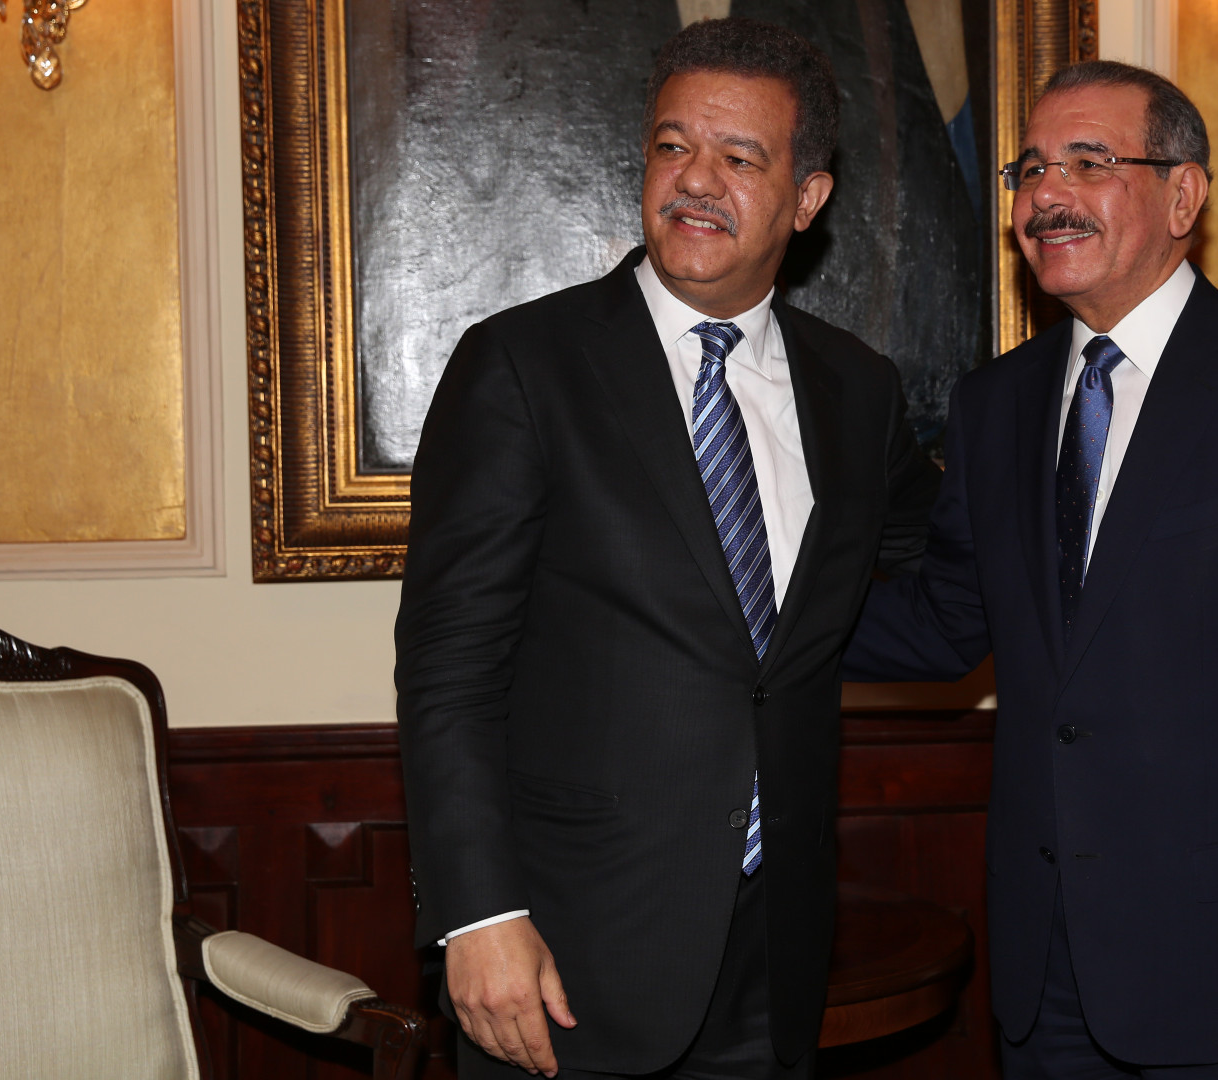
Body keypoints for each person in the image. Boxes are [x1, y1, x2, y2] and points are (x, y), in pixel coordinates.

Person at [843, 60, 1218, 1080]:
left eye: (1088, 162)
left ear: (1183, 196)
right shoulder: (994, 406)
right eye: (1029, 169)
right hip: (1044, 967)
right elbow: (944, 621)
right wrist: (744, 609)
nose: (1046, 195)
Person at [395, 18, 940, 1080]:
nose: (697, 179)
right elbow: (450, 668)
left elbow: (927, 571)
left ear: (808, 199)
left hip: (776, 955)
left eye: (741, 158)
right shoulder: (523, 365)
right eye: (674, 146)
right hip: (564, 953)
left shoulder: (856, 390)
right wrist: (478, 914)